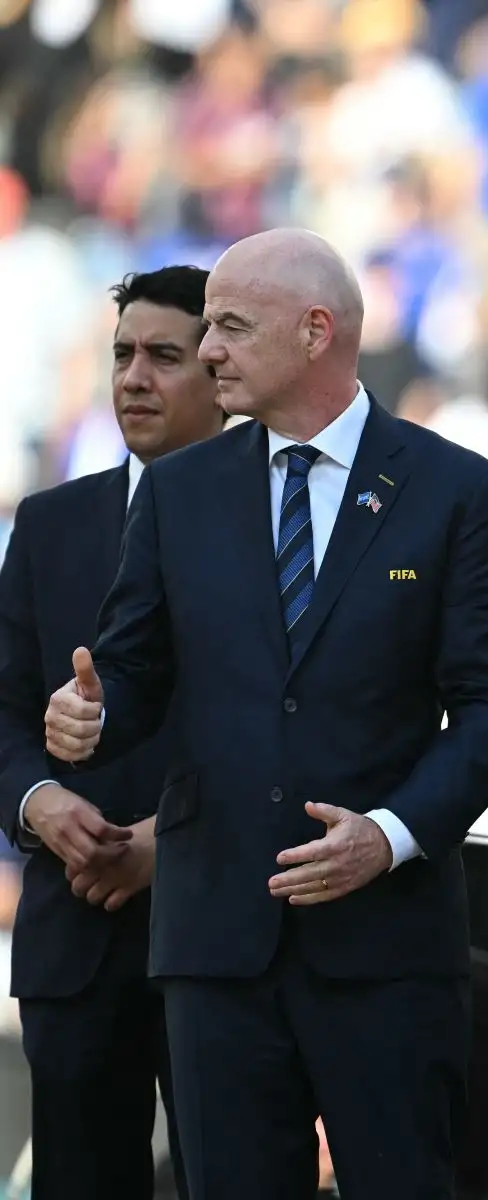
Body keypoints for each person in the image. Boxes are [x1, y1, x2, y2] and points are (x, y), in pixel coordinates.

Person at [41, 228, 488, 1199]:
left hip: (387, 945)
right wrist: (90, 719)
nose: (209, 349)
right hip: (216, 945)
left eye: (230, 325)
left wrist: (392, 836)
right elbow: (134, 670)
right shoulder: (182, 492)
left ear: (317, 332)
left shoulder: (452, 490)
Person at [0, 265, 222, 1198]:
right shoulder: (50, 524)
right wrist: (38, 802)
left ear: (223, 375)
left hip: (227, 934)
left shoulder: (282, 524)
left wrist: (171, 847)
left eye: (164, 357)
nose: (134, 376)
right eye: (123, 353)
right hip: (74, 936)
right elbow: (5, 708)